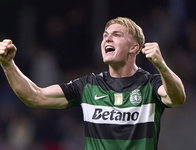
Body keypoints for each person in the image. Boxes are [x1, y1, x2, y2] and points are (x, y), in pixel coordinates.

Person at [0, 17, 186, 150]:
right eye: (105, 35)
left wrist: (161, 65)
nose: (107, 39)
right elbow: (35, 97)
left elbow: (177, 97)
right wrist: (8, 64)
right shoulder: (88, 85)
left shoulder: (150, 84)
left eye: (117, 35)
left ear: (134, 47)